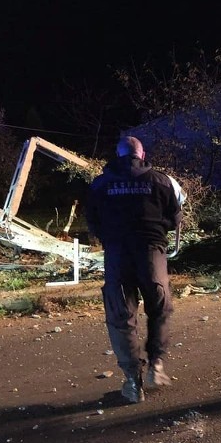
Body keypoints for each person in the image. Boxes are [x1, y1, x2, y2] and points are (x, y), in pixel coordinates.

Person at [85, 136, 183, 404]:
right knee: (160, 309)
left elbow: (92, 222)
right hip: (151, 253)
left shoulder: (100, 184)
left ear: (118, 155)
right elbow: (175, 218)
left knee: (121, 316)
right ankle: (157, 366)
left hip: (117, 255)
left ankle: (132, 382)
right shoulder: (161, 181)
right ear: (142, 154)